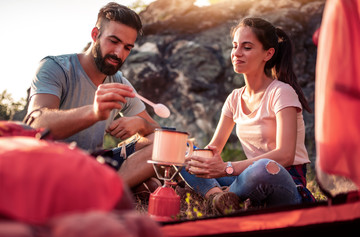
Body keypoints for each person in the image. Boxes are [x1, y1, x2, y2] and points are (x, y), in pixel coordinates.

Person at [181, 17, 315, 214]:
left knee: (263, 167)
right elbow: (214, 148)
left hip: (282, 180)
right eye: (235, 46)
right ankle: (220, 198)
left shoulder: (281, 92)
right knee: (184, 154)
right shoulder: (234, 98)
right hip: (247, 176)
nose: (237, 53)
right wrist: (194, 156)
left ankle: (218, 197)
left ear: (268, 54)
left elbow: (285, 155)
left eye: (247, 47)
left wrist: (227, 168)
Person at [26, 2, 160, 190]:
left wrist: (142, 125)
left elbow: (159, 133)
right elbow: (34, 125)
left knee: (160, 144)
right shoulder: (55, 68)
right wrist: (94, 112)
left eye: (127, 47)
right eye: (113, 41)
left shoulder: (119, 82)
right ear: (95, 35)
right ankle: (120, 186)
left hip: (94, 162)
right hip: (51, 163)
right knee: (150, 184)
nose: (118, 53)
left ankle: (105, 189)